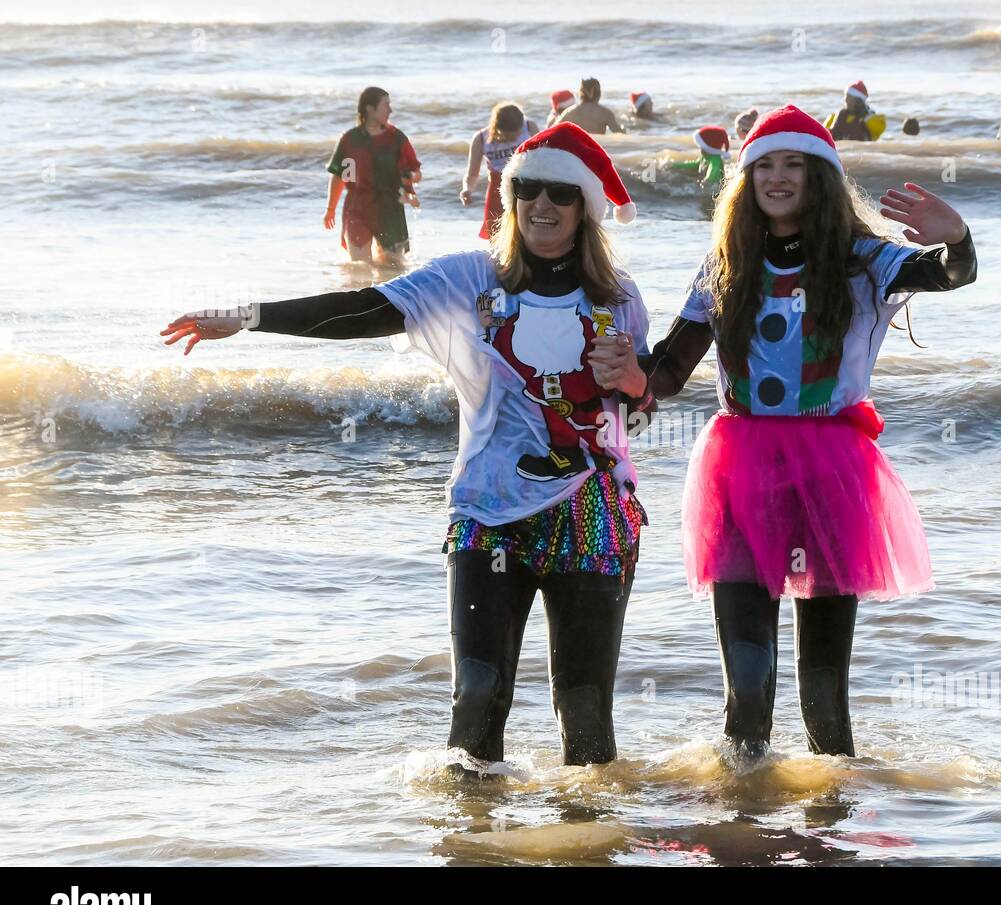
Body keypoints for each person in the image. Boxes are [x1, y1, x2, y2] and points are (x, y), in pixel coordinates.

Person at [160, 124, 650, 772]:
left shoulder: (617, 298)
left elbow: (637, 416)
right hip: (485, 511)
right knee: (476, 700)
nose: (541, 205)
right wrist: (252, 316)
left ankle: (585, 842)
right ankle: (474, 841)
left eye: (560, 192)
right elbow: (362, 309)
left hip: (588, 512)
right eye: (527, 188)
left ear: (584, 204)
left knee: (585, 719)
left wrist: (632, 383)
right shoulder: (468, 281)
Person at [589, 105, 977, 760]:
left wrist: (957, 239)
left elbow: (947, 274)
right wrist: (632, 377)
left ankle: (831, 823)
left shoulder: (865, 261)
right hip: (739, 471)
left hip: (832, 470)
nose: (776, 177)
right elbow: (670, 373)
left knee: (824, 693)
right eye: (763, 165)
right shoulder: (724, 266)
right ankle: (745, 823)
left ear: (819, 175)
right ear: (745, 180)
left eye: (793, 163)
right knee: (748, 683)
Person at [324, 87, 422, 265]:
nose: (390, 111)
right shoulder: (350, 139)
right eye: (386, 105)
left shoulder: (397, 138)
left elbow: (416, 171)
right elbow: (339, 176)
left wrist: (411, 178)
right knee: (360, 268)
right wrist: (330, 209)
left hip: (390, 209)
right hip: (358, 208)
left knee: (393, 269)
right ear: (370, 109)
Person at [461, 102, 539, 241]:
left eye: (517, 133)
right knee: (497, 236)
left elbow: (543, 159)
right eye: (509, 135)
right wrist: (467, 189)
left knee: (528, 234)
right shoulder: (481, 139)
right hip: (498, 190)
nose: (514, 138)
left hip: (528, 185)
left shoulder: (529, 127)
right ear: (497, 128)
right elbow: (472, 173)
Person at [664, 126, 729, 189]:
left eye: (701, 146)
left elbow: (713, 172)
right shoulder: (706, 156)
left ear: (707, 147)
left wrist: (706, 181)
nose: (700, 149)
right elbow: (695, 164)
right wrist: (675, 165)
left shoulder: (715, 160)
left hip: (715, 189)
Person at [557, 78, 624, 135]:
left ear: (580, 94)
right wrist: (623, 129)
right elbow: (620, 134)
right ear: (599, 94)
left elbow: (553, 130)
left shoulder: (570, 112)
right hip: (597, 147)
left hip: (576, 148)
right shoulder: (606, 113)